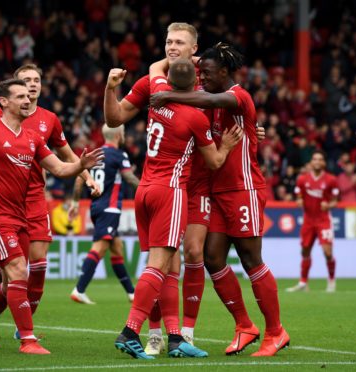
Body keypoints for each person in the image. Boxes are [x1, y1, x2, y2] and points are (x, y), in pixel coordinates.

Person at [105, 22, 265, 354]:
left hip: (195, 185)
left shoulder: (207, 77)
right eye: (168, 41)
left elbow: (232, 112)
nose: (171, 47)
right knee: (165, 262)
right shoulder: (158, 81)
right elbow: (117, 118)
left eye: (179, 42)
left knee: (192, 253)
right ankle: (152, 334)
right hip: (172, 185)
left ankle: (183, 335)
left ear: (195, 48)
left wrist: (252, 132)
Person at [150, 42, 289, 357]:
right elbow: (205, 97)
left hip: (244, 189)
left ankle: (276, 332)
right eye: (201, 72)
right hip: (216, 193)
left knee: (251, 260)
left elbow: (208, 96)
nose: (203, 77)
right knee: (212, 257)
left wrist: (168, 94)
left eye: (208, 73)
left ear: (224, 72)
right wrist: (191, 58)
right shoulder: (213, 100)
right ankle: (244, 325)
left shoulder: (236, 96)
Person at [0, 78, 104, 354]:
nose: (28, 100)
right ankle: (28, 340)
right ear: (4, 102)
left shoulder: (33, 138)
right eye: (21, 96)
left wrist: (81, 166)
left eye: (29, 95)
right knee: (17, 272)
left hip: (21, 215)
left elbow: (60, 169)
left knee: (8, 284)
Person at [69, 124, 140, 304]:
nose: (124, 135)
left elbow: (79, 178)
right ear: (118, 135)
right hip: (110, 207)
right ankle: (79, 289)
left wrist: (76, 202)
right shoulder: (119, 155)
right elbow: (129, 178)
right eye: (123, 133)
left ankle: (132, 293)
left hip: (96, 207)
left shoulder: (94, 154)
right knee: (99, 248)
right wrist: (148, 191)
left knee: (116, 248)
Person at [287, 150, 339, 292]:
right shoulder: (302, 179)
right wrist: (299, 200)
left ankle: (331, 281)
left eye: (320, 159)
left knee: (327, 252)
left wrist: (328, 205)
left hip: (323, 220)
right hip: (308, 220)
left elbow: (335, 202)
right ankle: (303, 282)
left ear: (323, 163)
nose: (317, 161)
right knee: (305, 251)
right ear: (311, 162)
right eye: (314, 159)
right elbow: (299, 197)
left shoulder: (331, 180)